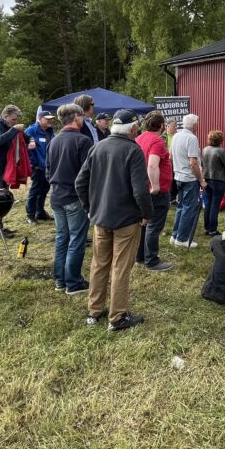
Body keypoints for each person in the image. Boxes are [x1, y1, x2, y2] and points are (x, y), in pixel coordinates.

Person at [76, 109, 153, 332]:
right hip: (126, 221)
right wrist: (147, 214)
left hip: (101, 218)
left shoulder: (97, 147)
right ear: (132, 128)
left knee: (99, 264)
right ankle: (117, 317)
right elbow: (141, 191)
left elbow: (80, 183)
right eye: (136, 125)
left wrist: (90, 209)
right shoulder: (133, 150)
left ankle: (94, 310)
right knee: (120, 267)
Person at [45, 103, 93, 294]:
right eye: (82, 117)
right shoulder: (82, 141)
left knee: (62, 238)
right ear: (77, 118)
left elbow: (48, 172)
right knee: (76, 240)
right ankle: (73, 283)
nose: (84, 120)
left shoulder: (53, 141)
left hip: (56, 196)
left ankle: (60, 280)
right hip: (74, 197)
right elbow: (87, 174)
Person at [134, 111, 174, 271]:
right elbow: (152, 164)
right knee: (153, 225)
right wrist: (155, 186)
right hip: (156, 191)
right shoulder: (157, 141)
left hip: (142, 188)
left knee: (143, 224)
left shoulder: (139, 138)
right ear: (162, 125)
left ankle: (140, 256)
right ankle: (152, 261)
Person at [170, 113, 206, 247]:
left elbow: (171, 157)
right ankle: (182, 239)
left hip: (178, 176)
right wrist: (201, 180)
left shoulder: (176, 136)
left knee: (180, 206)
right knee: (188, 208)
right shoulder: (191, 138)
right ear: (195, 125)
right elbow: (193, 163)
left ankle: (175, 235)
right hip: (189, 178)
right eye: (197, 123)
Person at [201, 129, 225, 236]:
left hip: (206, 179)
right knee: (215, 206)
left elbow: (202, 164)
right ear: (220, 140)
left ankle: (207, 228)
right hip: (218, 181)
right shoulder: (220, 151)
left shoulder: (205, 149)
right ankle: (213, 230)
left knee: (208, 204)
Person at [24, 109, 55, 224]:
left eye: (51, 119)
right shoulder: (31, 130)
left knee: (44, 189)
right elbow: (25, 148)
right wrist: (34, 163)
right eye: (47, 119)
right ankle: (30, 215)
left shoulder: (50, 131)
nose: (49, 121)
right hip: (36, 167)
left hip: (48, 166)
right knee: (35, 191)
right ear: (40, 119)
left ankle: (40, 212)